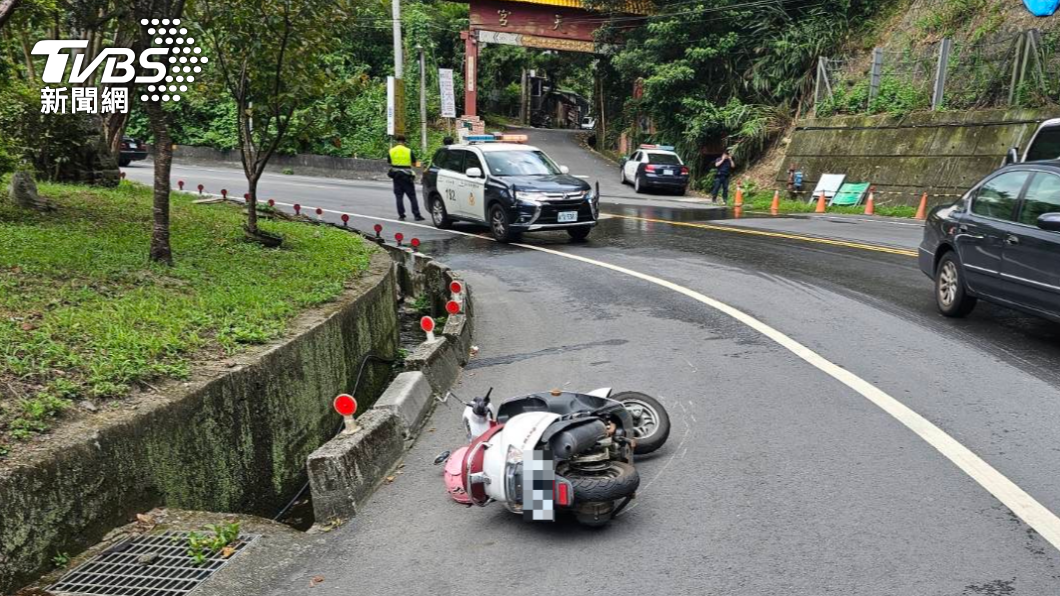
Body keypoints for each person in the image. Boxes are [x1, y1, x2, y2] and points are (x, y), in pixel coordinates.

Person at [387, 134, 425, 221]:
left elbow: (389, 162)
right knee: (412, 196)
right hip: (407, 176)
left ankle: (401, 215)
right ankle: (417, 215)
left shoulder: (392, 151)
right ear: (404, 141)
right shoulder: (408, 151)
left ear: (396, 141)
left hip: (396, 176)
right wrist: (421, 165)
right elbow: (414, 163)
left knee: (399, 197)